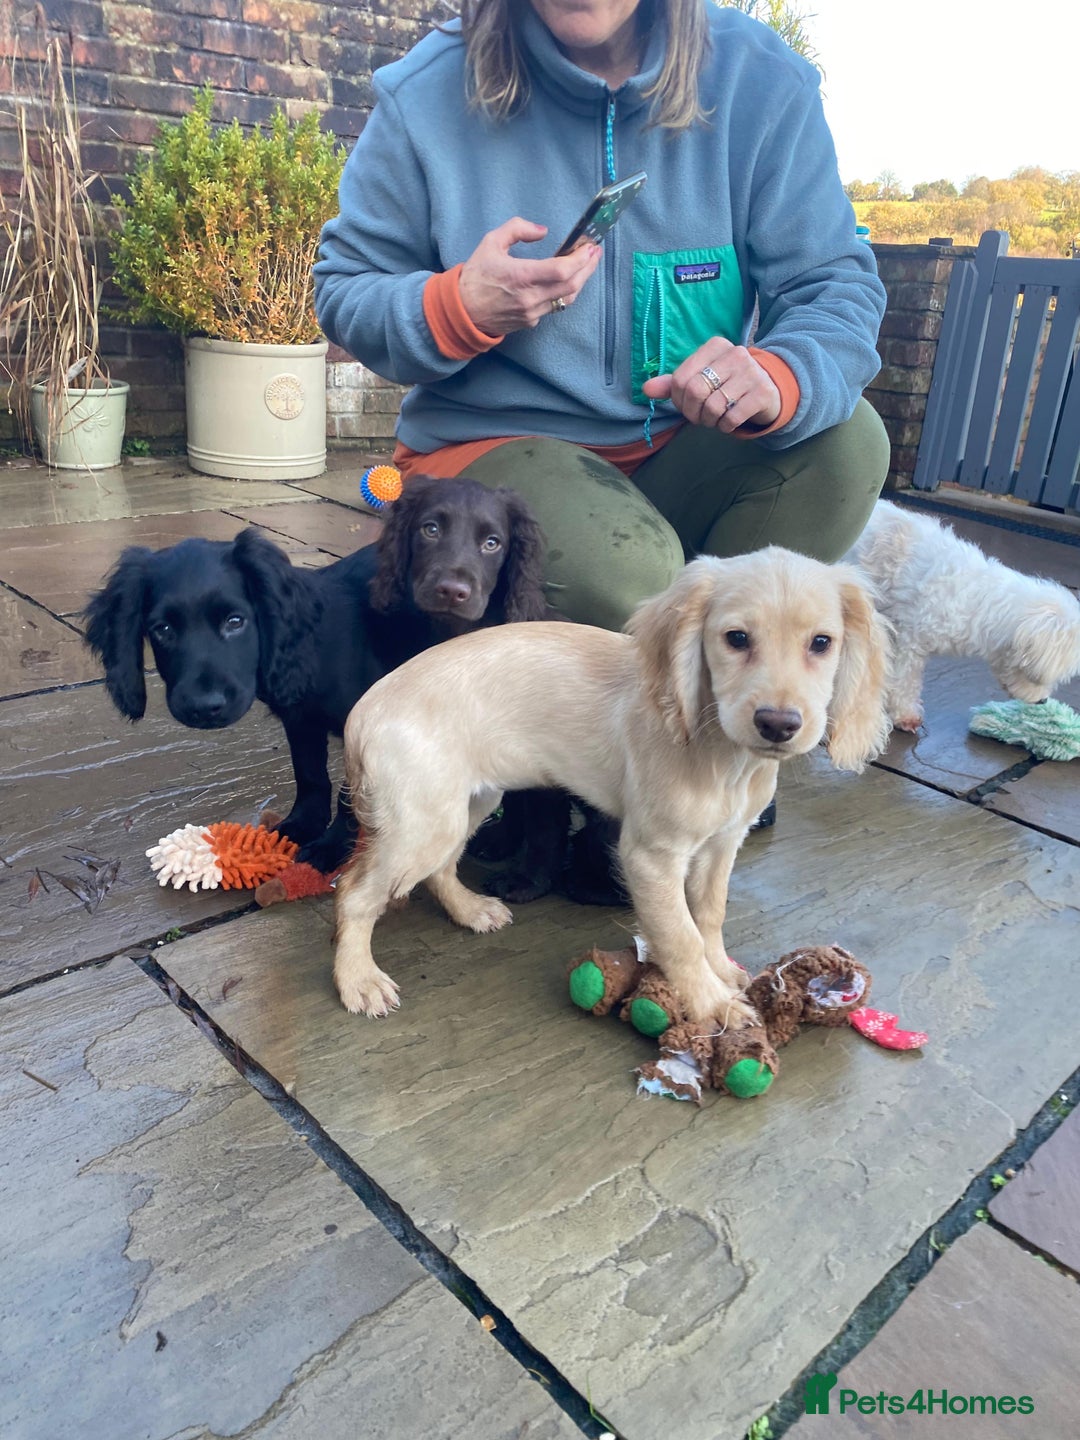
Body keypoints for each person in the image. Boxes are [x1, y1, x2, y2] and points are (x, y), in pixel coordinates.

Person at [315, 0, 891, 632]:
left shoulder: (765, 81)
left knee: (848, 445)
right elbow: (347, 289)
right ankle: (656, 674)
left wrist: (780, 373)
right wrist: (457, 307)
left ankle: (702, 676)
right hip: (491, 452)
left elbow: (833, 284)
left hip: (682, 446)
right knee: (632, 581)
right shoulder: (424, 91)